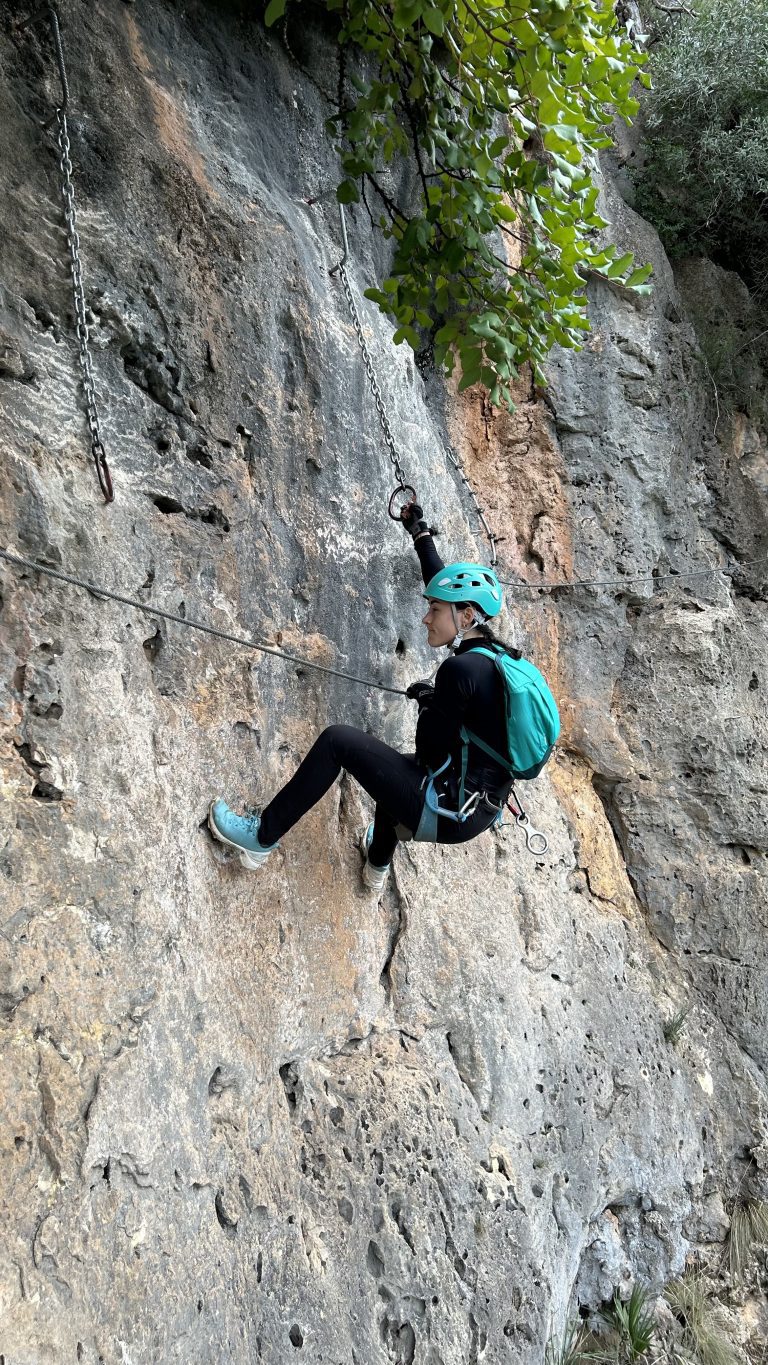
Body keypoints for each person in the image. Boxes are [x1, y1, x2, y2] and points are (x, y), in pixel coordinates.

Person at [208, 503, 520, 891]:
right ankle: (376, 868)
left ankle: (260, 838)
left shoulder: (459, 671)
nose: (426, 618)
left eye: (434, 610)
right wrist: (418, 532)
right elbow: (440, 581)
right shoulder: (495, 657)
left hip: (449, 805)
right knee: (388, 775)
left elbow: (428, 754)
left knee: (339, 741)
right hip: (478, 804)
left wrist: (430, 703)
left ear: (467, 616)